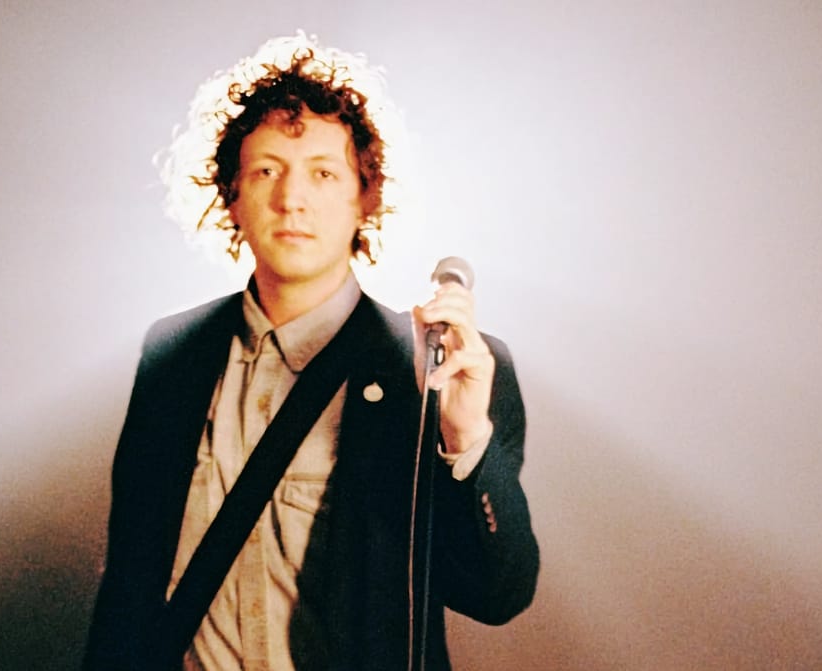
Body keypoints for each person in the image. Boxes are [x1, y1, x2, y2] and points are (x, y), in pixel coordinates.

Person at [83, 33, 538, 671]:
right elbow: (129, 587)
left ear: (365, 197)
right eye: (267, 170)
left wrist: (464, 440)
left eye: (323, 173)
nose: (291, 198)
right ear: (232, 195)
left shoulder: (436, 366)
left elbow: (497, 595)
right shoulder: (173, 351)